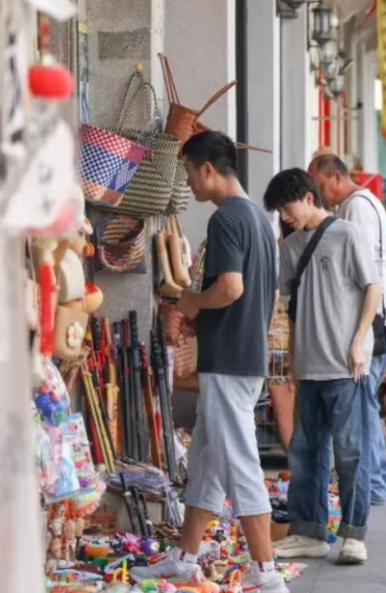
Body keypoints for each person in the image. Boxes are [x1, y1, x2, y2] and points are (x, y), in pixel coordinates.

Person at [131, 132, 286, 593]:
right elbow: (261, 297)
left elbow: (231, 288)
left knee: (239, 462)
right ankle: (185, 558)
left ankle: (266, 572)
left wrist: (190, 301)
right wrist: (209, 318)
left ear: (207, 169)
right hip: (243, 354)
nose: (188, 183)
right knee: (205, 463)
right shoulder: (259, 219)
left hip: (229, 362)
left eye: (188, 172)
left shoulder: (226, 219)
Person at [265, 169, 382, 565]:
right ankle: (309, 532)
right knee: (305, 453)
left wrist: (359, 340)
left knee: (350, 453)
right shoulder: (289, 247)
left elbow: (374, 287)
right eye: (280, 211)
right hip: (308, 367)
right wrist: (294, 360)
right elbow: (293, 310)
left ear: (309, 197)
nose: (285, 216)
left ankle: (354, 534)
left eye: (287, 207)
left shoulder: (347, 234)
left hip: (346, 367)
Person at [308, 154, 386, 505]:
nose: (319, 195)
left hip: (370, 323)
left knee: (361, 408)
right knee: (366, 405)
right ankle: (381, 482)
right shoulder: (361, 204)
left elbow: (360, 273)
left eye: (320, 186)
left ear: (335, 177)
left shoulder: (357, 208)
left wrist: (356, 334)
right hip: (375, 320)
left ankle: (373, 485)